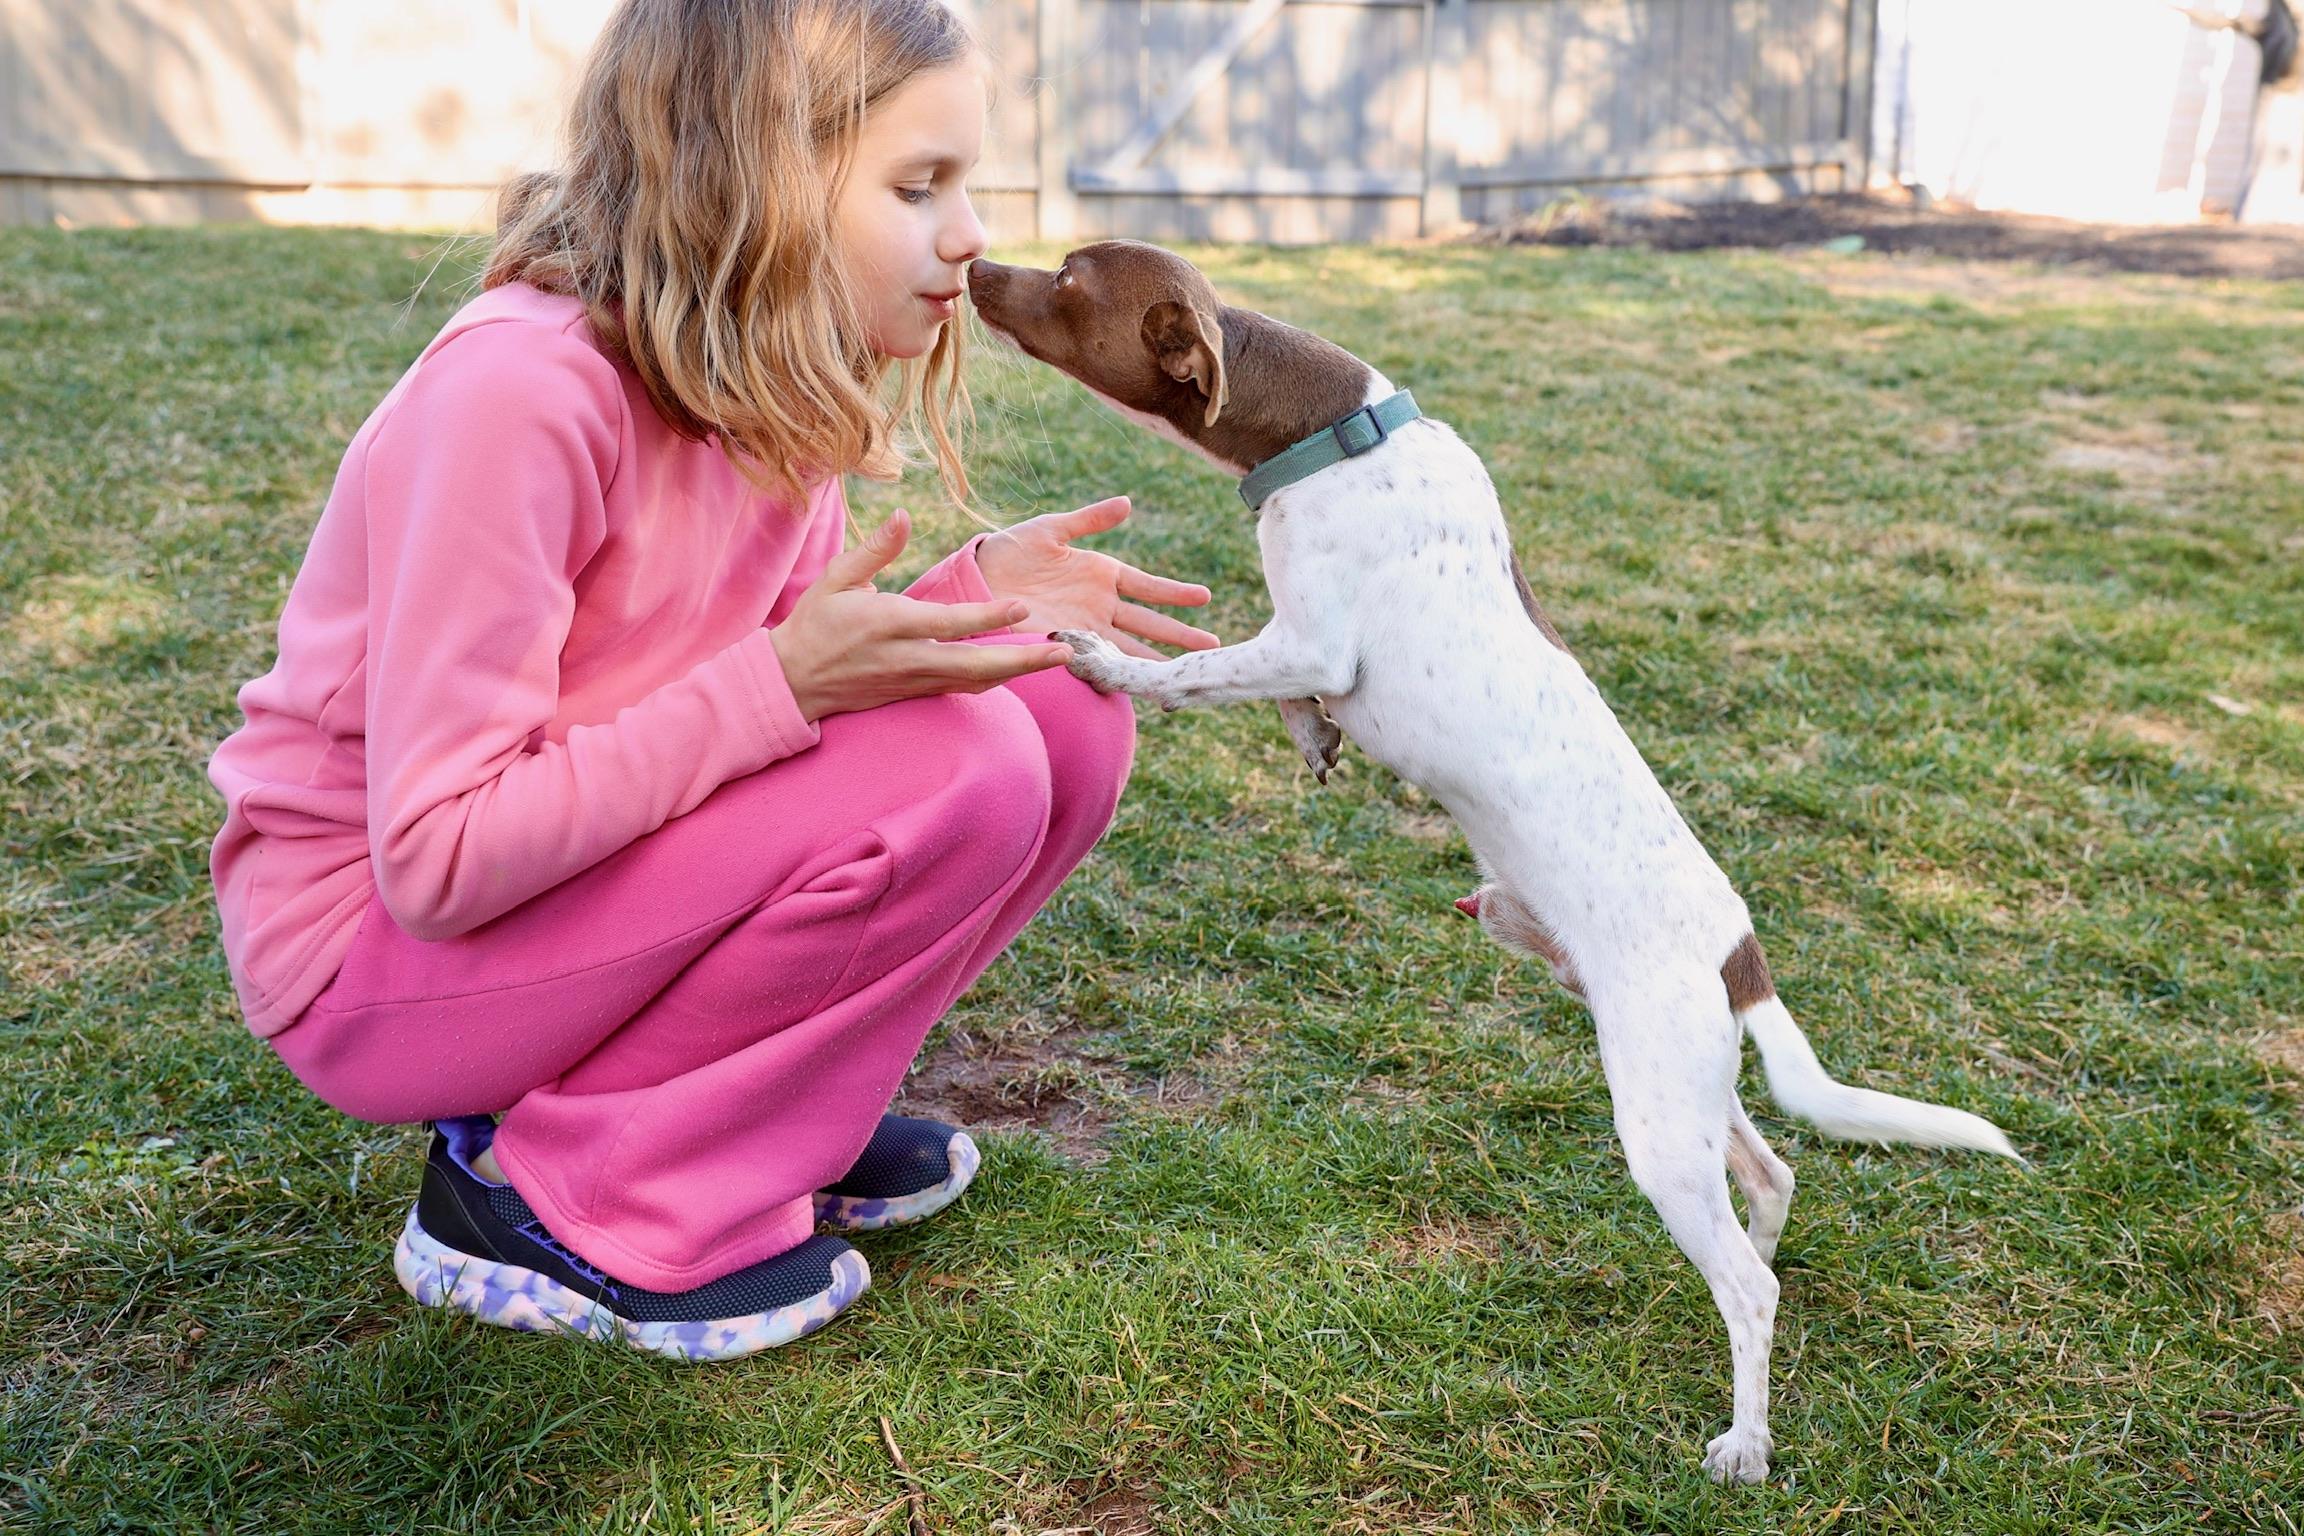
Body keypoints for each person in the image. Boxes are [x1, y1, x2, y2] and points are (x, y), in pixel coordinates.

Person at [204, 0, 1218, 1361]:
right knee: (963, 765)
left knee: (1059, 715)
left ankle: (749, 1114)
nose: (971, 235)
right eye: (918, 187)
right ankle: (554, 1198)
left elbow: (743, 692)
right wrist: (795, 682)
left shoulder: (762, 388)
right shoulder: (518, 398)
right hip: (371, 963)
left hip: (550, 895)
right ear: (753, 181)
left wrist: (962, 605)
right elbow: (440, 857)